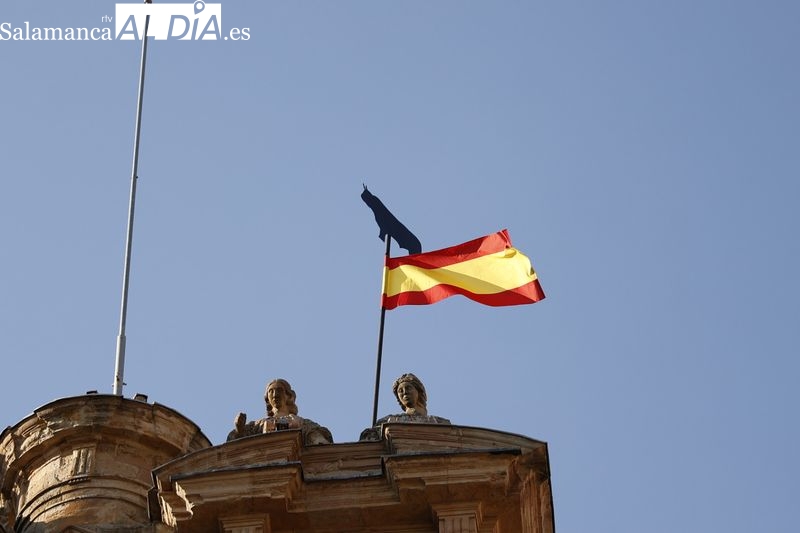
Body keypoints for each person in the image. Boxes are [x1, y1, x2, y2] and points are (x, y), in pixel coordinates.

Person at [228, 378, 333, 445]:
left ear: (288, 396)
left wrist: (316, 438)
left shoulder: (300, 422)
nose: (275, 395)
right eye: (271, 391)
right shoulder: (259, 425)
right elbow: (238, 440)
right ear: (267, 398)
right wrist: (239, 428)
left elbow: (316, 433)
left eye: (279, 390)